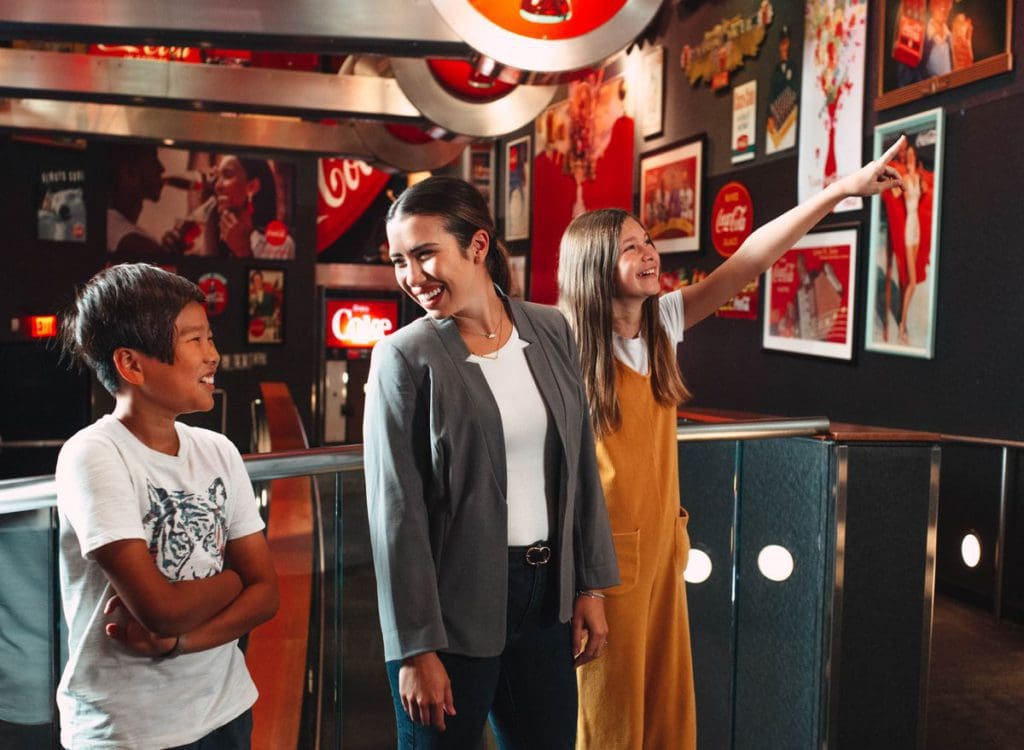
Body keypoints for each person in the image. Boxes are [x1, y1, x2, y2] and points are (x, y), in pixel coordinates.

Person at [557, 139, 906, 750]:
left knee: (666, 712)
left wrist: (839, 190)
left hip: (663, 548)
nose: (649, 251)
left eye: (647, 240)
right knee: (604, 717)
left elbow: (747, 261)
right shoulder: (566, 346)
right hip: (602, 566)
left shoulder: (660, 325)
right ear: (592, 266)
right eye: (630, 246)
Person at [363, 175, 619, 749]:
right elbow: (394, 515)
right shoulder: (403, 357)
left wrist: (590, 587)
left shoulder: (552, 329)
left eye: (426, 254)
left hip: (546, 600)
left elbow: (579, 468)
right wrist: (414, 649)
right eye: (400, 260)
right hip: (448, 610)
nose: (412, 277)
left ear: (478, 246)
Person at [55, 263, 280, 749]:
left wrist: (182, 641)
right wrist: (232, 579)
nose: (213, 355)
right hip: (129, 732)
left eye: (210, 338)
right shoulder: (94, 454)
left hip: (226, 712)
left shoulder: (217, 450)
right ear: (132, 365)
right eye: (194, 340)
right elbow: (160, 610)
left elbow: (266, 594)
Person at [171, 154, 295, 259]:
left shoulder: (279, 245)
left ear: (252, 187)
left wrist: (243, 250)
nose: (217, 186)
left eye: (227, 175)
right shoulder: (205, 241)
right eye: (217, 177)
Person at [107, 144, 167, 255]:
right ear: (130, 172)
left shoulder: (118, 227)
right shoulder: (113, 226)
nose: (162, 168)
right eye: (154, 160)